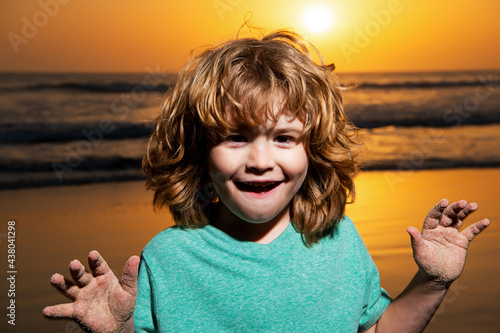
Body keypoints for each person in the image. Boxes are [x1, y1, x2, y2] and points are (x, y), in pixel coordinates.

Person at [43, 30, 490, 333]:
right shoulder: (168, 258)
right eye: (235, 137)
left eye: (284, 138)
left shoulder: (339, 243)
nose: (261, 160)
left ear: (313, 150)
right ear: (198, 150)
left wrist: (432, 281)